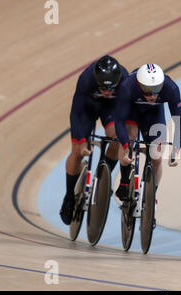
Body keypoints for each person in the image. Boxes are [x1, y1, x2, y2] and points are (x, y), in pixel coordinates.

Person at [60, 55, 129, 225]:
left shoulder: (125, 80)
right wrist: (81, 140)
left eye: (110, 89)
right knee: (77, 151)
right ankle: (69, 196)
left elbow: (126, 113)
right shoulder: (86, 79)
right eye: (102, 88)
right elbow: (76, 112)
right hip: (87, 109)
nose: (106, 92)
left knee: (117, 137)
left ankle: (103, 175)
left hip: (111, 109)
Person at [113, 63, 181, 207]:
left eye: (156, 90)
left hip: (153, 114)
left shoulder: (171, 88)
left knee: (157, 156)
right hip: (132, 111)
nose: (152, 95)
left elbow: (180, 123)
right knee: (130, 136)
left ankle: (152, 195)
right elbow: (119, 121)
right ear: (139, 84)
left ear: (162, 84)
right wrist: (127, 146)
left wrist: (176, 150)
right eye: (147, 90)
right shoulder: (127, 86)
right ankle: (125, 181)